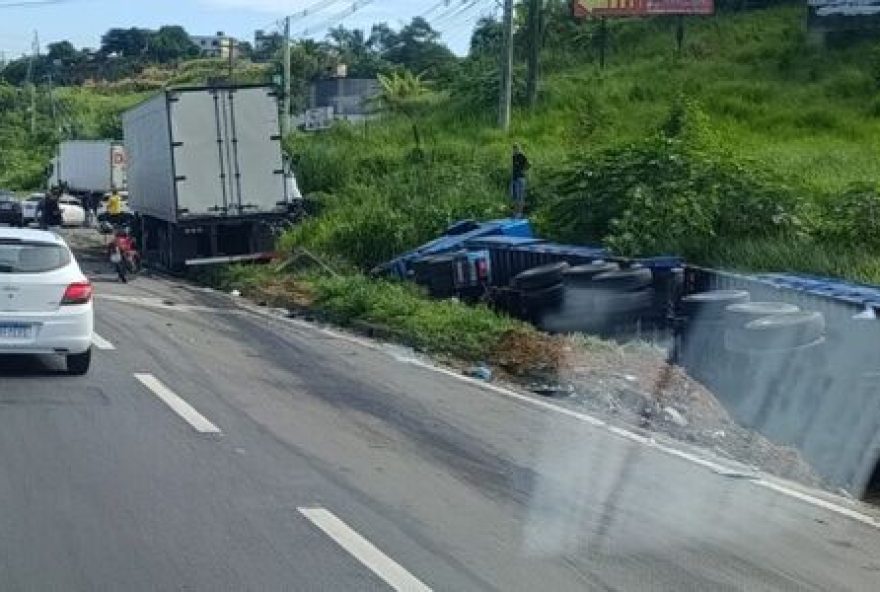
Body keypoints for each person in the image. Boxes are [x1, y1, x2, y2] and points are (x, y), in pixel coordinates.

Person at [510, 144, 530, 218]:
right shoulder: (513, 157)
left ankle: (519, 213)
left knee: (520, 196)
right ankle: (515, 212)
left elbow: (529, 164)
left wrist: (523, 171)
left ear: (519, 149)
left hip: (521, 178)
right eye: (514, 148)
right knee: (514, 196)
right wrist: (512, 178)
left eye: (516, 148)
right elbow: (513, 168)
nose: (515, 150)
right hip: (514, 178)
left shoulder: (521, 155)